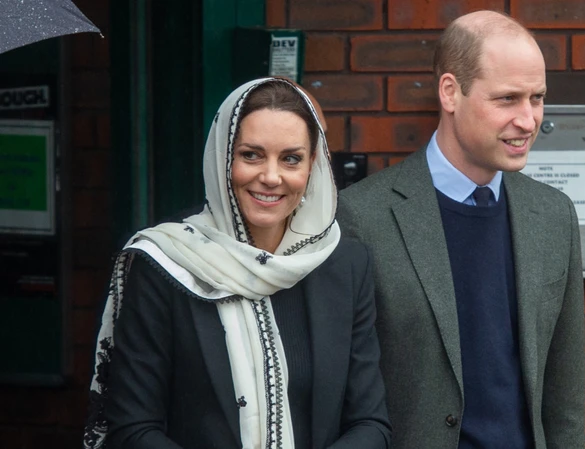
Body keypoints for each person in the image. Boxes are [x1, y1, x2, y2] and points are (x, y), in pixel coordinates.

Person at [83, 78, 391, 449]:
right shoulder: (164, 263)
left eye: (291, 158)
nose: (271, 177)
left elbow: (370, 424)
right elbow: (133, 429)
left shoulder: (344, 265)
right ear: (222, 158)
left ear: (314, 165)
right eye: (252, 155)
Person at [336, 10, 585, 449]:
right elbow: (344, 395)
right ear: (450, 92)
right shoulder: (361, 216)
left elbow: (564, 396)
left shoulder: (554, 216)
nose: (529, 120)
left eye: (537, 98)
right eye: (507, 99)